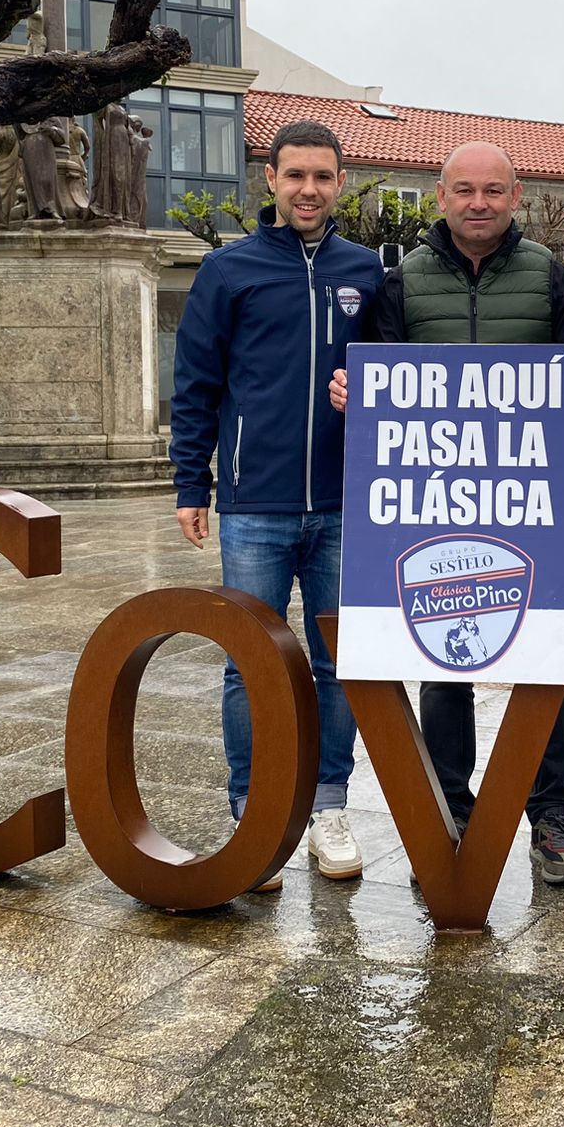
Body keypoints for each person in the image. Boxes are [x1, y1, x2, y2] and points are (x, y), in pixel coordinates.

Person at [331, 141, 564, 884]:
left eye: (492, 190)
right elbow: (376, 373)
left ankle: (551, 816)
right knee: (441, 657)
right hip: (433, 498)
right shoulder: (402, 281)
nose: (478, 203)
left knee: (542, 656)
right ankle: (449, 813)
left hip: (530, 498)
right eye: (464, 190)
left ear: (516, 196)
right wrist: (356, 394)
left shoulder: (551, 275)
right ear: (441, 196)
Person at [170, 119, 383, 889]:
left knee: (339, 663)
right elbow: (196, 381)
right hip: (254, 502)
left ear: (340, 182)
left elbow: (398, 373)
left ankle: (328, 809)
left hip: (347, 504)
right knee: (248, 662)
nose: (309, 190)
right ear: (270, 179)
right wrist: (191, 483)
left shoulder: (367, 270)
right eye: (296, 175)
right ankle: (251, 812)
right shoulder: (228, 270)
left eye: (323, 177)